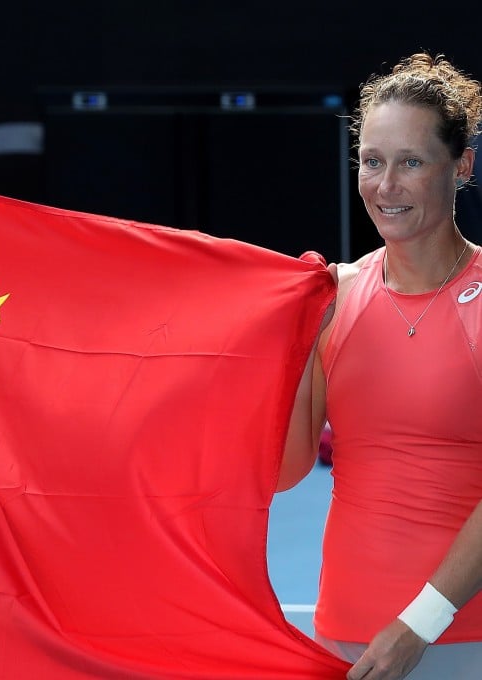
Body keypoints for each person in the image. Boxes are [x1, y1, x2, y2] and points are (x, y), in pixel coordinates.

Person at [281, 53, 482, 679]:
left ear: (462, 167)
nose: (385, 185)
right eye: (372, 161)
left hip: (460, 639)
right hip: (343, 642)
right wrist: (284, 351)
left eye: (411, 162)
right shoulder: (333, 298)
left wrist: (417, 625)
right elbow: (286, 471)